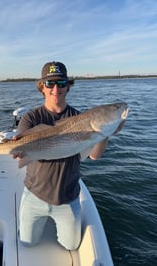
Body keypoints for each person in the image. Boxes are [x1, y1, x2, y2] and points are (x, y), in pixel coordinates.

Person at [14, 61, 108, 250]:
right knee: (26, 244)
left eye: (61, 83)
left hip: (67, 196)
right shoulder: (31, 118)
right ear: (42, 86)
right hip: (34, 194)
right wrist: (18, 151)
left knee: (72, 247)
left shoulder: (81, 119)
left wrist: (104, 134)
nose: (56, 88)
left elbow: (95, 156)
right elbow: (19, 146)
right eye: (50, 83)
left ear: (68, 86)